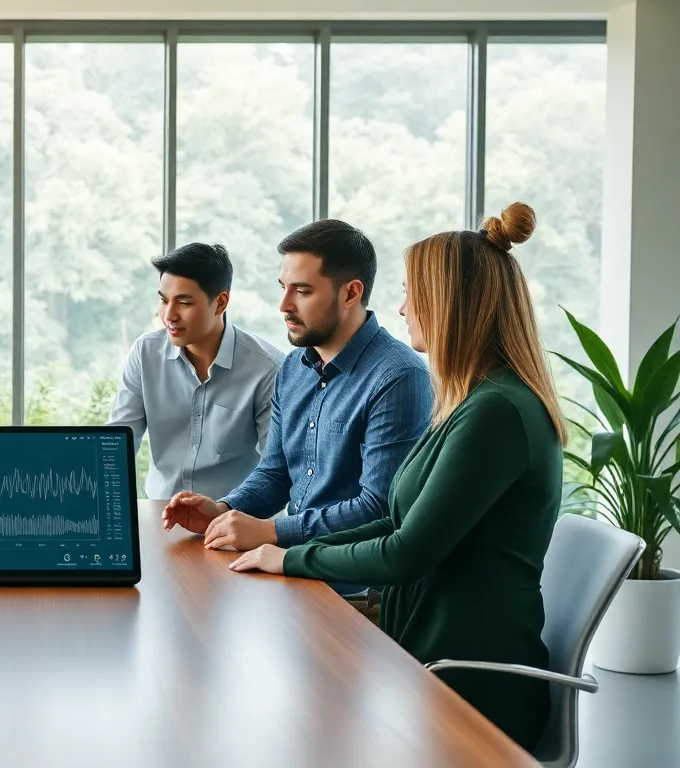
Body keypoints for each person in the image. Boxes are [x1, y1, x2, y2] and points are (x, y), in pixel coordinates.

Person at [229, 203, 564, 751]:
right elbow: (392, 517)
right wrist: (278, 546)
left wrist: (287, 554)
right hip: (413, 656)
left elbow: (407, 550)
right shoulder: (471, 402)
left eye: (415, 294)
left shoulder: (497, 412)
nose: (404, 308)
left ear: (453, 305)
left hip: (463, 686)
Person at [162, 220, 433, 569]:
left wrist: (271, 531)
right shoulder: (293, 368)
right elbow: (275, 473)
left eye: (302, 292)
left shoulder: (399, 377)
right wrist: (224, 510)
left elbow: (378, 508)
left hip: (353, 590)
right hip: (291, 572)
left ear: (351, 293)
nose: (284, 305)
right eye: (283, 288)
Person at [107, 243, 284, 499]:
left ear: (220, 302)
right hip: (160, 515)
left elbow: (276, 470)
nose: (169, 315)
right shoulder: (145, 354)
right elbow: (117, 446)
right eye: (164, 300)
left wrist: (229, 513)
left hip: (233, 520)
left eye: (184, 302)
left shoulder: (267, 370)